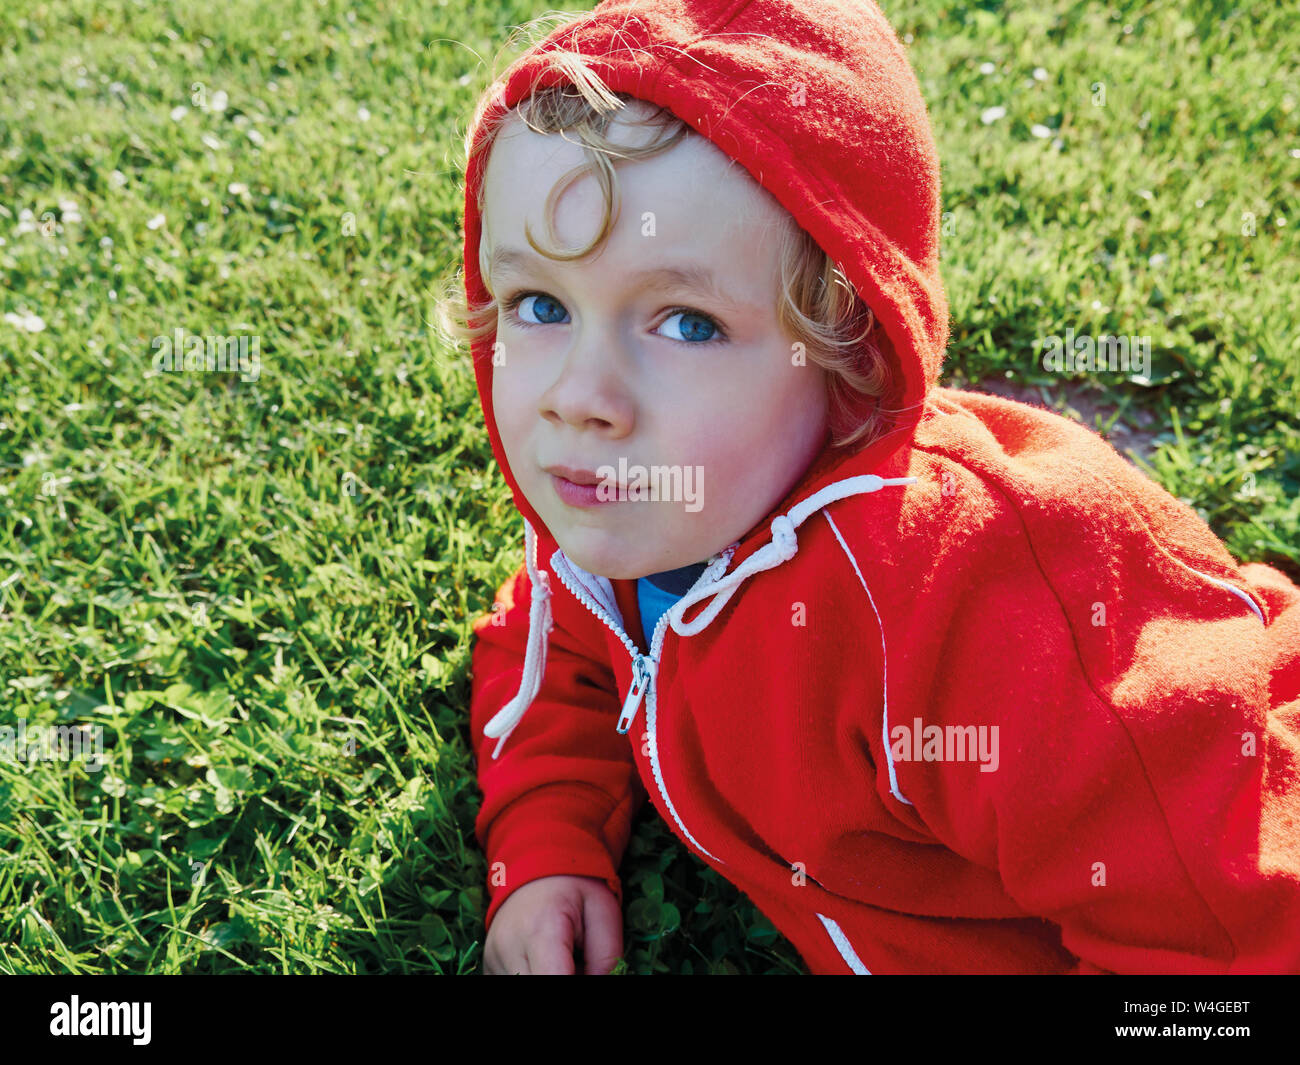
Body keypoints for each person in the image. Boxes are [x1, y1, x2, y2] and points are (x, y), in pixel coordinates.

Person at [439, 0, 1300, 974]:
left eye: (685, 323)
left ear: (848, 359)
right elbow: (557, 645)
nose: (579, 397)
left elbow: (1229, 930)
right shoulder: (630, 504)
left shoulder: (957, 613)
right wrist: (545, 849)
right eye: (539, 305)